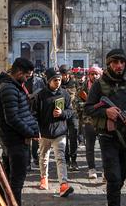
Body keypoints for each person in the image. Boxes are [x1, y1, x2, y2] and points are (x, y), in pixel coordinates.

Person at [85, 49, 126, 206]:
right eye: (115, 62)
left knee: (121, 176)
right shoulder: (99, 84)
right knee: (113, 177)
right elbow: (87, 108)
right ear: (109, 64)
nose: (119, 66)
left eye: (122, 62)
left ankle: (114, 194)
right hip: (108, 136)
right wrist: (105, 111)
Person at [0, 57, 40, 206]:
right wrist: (30, 132)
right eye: (26, 76)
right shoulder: (9, 88)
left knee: (6, 180)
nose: (27, 79)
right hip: (15, 142)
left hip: (12, 141)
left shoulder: (11, 86)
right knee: (15, 184)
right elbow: (12, 118)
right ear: (18, 72)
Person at [34, 68, 75, 197]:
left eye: (59, 80)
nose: (58, 82)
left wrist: (62, 113)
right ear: (49, 81)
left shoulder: (65, 94)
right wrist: (36, 130)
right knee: (43, 156)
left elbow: (70, 111)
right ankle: (43, 178)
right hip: (45, 132)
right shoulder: (40, 95)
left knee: (60, 158)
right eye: (55, 80)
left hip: (60, 132)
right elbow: (34, 114)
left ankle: (63, 184)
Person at [78, 65, 103, 179]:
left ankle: (106, 170)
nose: (94, 76)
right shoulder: (83, 87)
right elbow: (77, 103)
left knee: (105, 146)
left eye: (96, 74)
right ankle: (91, 168)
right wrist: (90, 105)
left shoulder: (104, 86)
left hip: (103, 120)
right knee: (90, 146)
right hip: (88, 120)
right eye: (92, 74)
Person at [60, 65, 79, 171]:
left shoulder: (75, 83)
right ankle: (66, 160)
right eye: (63, 74)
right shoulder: (58, 83)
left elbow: (81, 96)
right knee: (64, 138)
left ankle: (74, 160)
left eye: (66, 74)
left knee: (73, 137)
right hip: (62, 114)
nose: (65, 76)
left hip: (73, 114)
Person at [26, 72, 46, 170]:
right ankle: (27, 162)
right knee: (25, 139)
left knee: (35, 137)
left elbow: (43, 93)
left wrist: (34, 95)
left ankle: (35, 157)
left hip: (35, 111)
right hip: (24, 111)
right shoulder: (20, 80)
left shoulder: (39, 81)